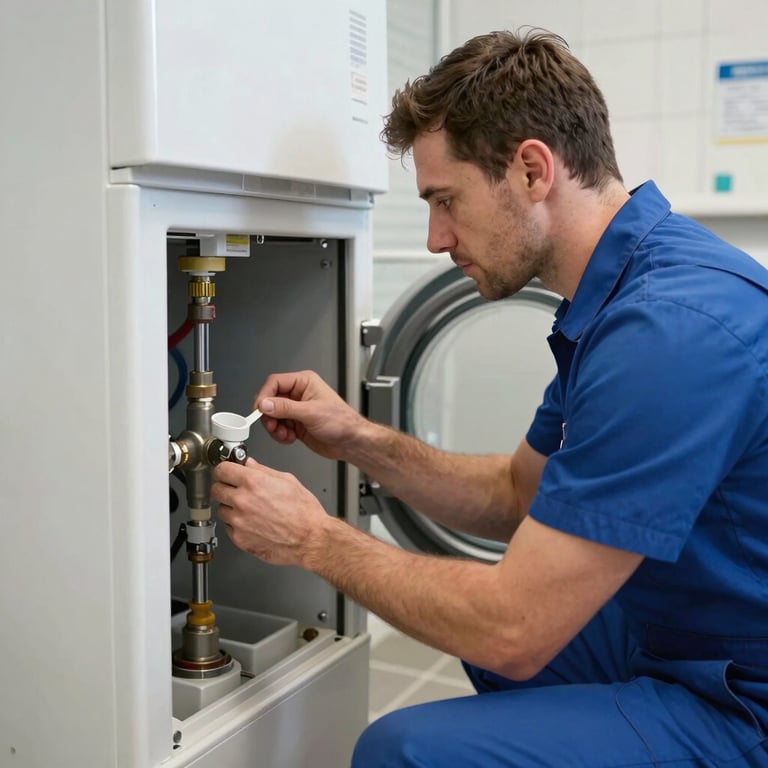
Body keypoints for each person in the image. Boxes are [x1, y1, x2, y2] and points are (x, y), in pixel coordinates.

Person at [211, 28, 768, 768]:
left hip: (743, 698)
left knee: (403, 748)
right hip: (688, 628)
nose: (437, 237)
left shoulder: (668, 333)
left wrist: (315, 539)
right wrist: (356, 438)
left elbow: (516, 625)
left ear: (533, 170)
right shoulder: (619, 293)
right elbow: (516, 493)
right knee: (496, 647)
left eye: (447, 200)